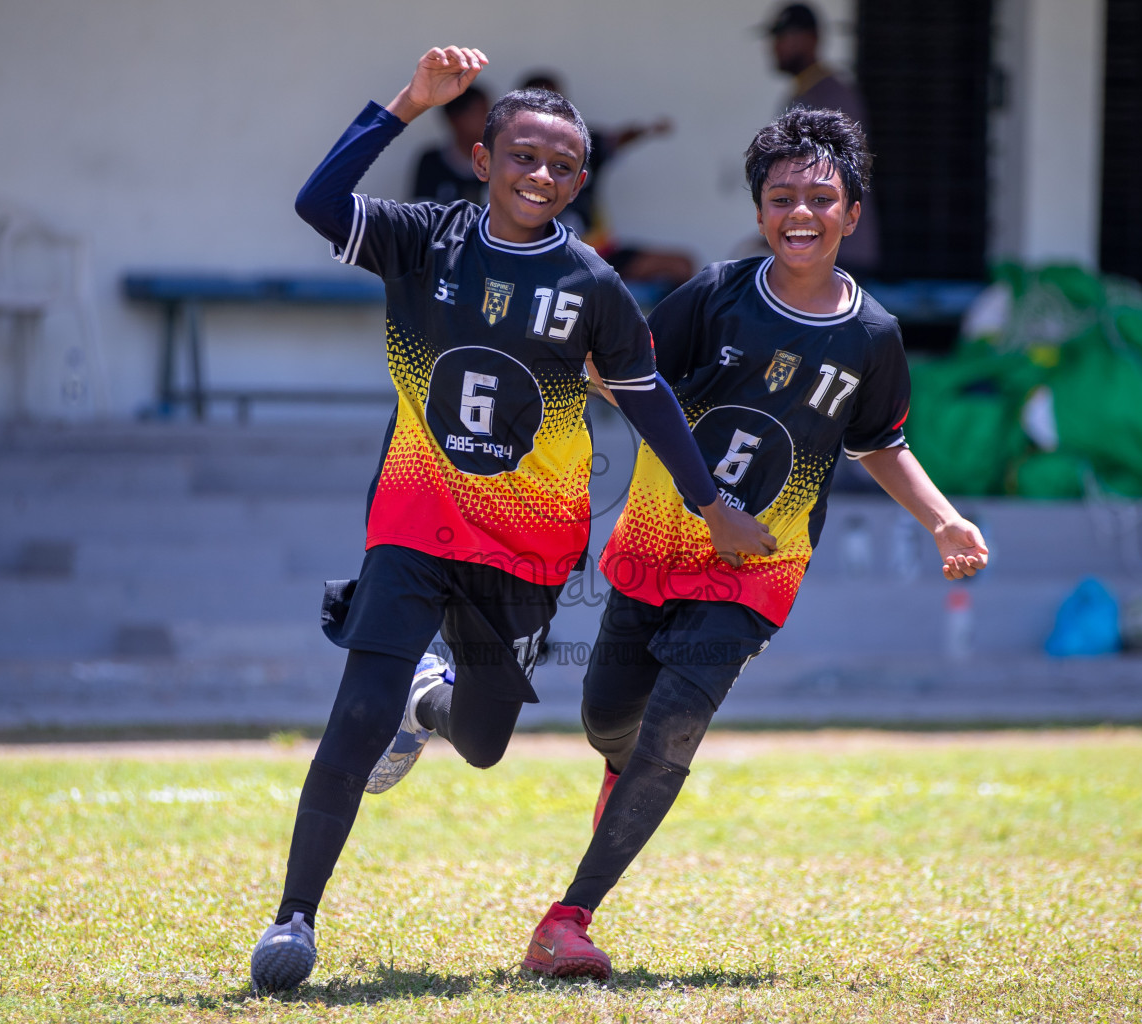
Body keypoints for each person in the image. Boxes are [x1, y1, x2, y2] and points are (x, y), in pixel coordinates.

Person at [247, 45, 776, 995]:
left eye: (563, 165)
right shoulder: (423, 237)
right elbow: (318, 206)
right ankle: (294, 917)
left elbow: (650, 398)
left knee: (485, 741)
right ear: (482, 158)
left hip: (530, 543)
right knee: (355, 714)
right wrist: (408, 102)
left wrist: (714, 507)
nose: (542, 175)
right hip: (415, 516)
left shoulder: (594, 287)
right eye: (523, 155)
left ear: (580, 181)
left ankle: (432, 698)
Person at [516, 108, 990, 979]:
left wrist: (942, 519)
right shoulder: (715, 295)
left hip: (758, 568)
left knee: (673, 734)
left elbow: (880, 444)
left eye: (821, 197)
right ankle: (624, 782)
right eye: (782, 198)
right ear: (760, 208)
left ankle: (567, 919)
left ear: (853, 212)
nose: (800, 214)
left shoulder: (874, 337)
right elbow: (620, 373)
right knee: (608, 721)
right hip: (658, 545)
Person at [517, 71, 694, 288]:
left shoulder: (583, 143)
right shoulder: (511, 152)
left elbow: (617, 139)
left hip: (599, 254)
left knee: (681, 265)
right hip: (546, 261)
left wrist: (648, 129)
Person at [763, 1, 879, 274]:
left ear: (811, 39)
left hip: (837, 248)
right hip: (812, 244)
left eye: (784, 37)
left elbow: (832, 177)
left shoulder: (831, 94)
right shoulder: (805, 90)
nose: (775, 47)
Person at [409, 85, 489, 205]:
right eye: (479, 112)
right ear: (454, 118)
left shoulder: (498, 163)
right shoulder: (431, 162)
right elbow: (420, 215)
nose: (487, 121)